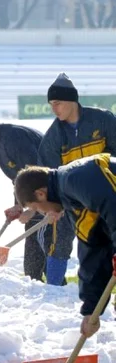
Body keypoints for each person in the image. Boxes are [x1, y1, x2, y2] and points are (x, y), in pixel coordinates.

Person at [13, 153, 116, 338]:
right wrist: (91, 310)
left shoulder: (76, 177)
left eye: (37, 208)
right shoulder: (71, 203)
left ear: (41, 193)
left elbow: (113, 205)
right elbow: (92, 247)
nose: (42, 213)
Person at [0, 106, 68, 285]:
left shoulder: (14, 140)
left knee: (42, 247)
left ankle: (55, 290)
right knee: (34, 254)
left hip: (53, 194)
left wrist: (32, 210)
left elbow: (38, 176)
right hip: (39, 195)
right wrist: (19, 205)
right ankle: (44, 287)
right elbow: (20, 179)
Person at [35, 72, 116, 286]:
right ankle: (54, 287)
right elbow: (48, 175)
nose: (54, 108)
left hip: (106, 192)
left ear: (72, 101)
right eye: (51, 104)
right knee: (58, 237)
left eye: (58, 103)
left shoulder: (104, 120)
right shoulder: (52, 138)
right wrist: (53, 206)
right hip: (71, 199)